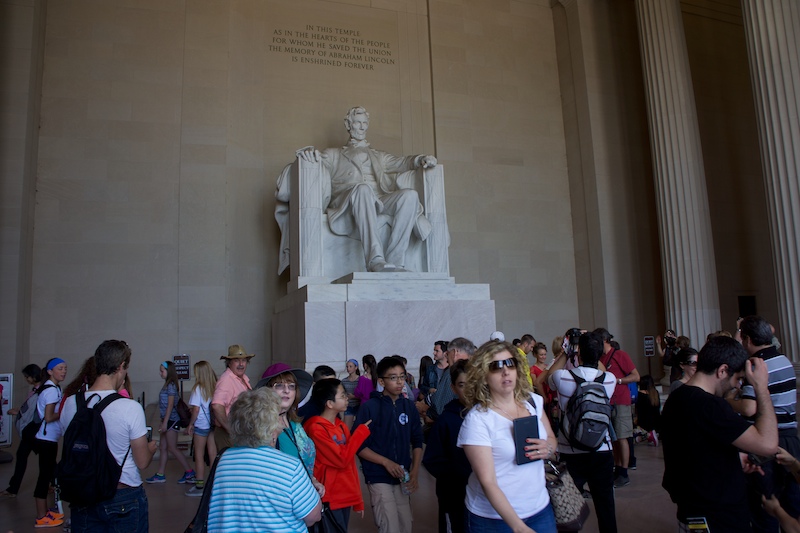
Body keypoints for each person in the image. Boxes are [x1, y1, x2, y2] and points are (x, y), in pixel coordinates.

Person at [290, 106, 437, 273]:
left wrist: (421, 159)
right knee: (362, 189)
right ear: (348, 124)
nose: (362, 127)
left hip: (378, 200)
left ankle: (396, 261)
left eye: (365, 123)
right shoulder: (334, 154)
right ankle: (375, 260)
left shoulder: (379, 156)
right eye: (357, 123)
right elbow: (313, 157)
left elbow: (402, 162)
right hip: (348, 202)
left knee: (410, 196)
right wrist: (308, 154)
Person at [661, 335, 778, 532]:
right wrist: (761, 388)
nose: (737, 385)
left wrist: (732, 461)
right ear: (722, 370)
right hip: (717, 515)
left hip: (693, 511)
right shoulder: (711, 405)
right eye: (738, 378)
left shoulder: (677, 398)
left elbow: (693, 451)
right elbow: (768, 444)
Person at [458, 340, 557, 532]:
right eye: (496, 366)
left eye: (510, 364)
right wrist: (518, 527)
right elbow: (488, 481)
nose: (506, 372)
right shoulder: (478, 420)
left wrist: (548, 448)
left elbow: (552, 440)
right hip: (493, 519)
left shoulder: (533, 403)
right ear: (484, 376)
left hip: (539, 508)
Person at [59, 340, 157, 533]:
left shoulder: (71, 403)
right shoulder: (130, 407)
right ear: (121, 366)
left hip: (83, 493)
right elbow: (143, 461)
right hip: (123, 494)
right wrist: (151, 448)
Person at [206, 388, 322, 531]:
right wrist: (312, 492)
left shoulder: (223, 460)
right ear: (272, 428)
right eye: (278, 416)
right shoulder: (290, 467)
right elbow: (313, 517)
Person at [730, 315, 800, 532]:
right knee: (791, 505)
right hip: (790, 440)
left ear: (749, 340)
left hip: (766, 442)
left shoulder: (757, 366)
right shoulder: (784, 360)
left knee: (765, 509)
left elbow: (749, 408)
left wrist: (729, 401)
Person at [548, 331, 618, 533]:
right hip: (602, 449)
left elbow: (550, 375)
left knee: (568, 507)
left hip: (571, 451)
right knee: (606, 505)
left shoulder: (563, 377)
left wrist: (566, 351)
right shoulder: (610, 380)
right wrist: (593, 344)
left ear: (577, 355)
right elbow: (600, 368)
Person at [353, 356, 424, 533]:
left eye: (402, 376)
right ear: (382, 382)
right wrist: (386, 462)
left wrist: (414, 471)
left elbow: (417, 441)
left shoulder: (408, 407)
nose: (399, 382)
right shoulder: (369, 407)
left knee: (405, 524)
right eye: (393, 377)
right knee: (389, 525)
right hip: (378, 475)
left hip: (402, 476)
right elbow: (359, 445)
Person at [304, 378, 372, 531]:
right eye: (342, 396)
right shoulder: (316, 429)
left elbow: (350, 465)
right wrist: (359, 434)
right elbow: (341, 459)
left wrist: (358, 500)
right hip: (329, 497)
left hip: (345, 495)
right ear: (329, 403)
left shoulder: (341, 426)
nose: (347, 398)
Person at [422, 360, 472, 533]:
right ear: (453, 388)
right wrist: (461, 474)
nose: (469, 390)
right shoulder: (446, 419)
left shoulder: (488, 415)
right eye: (462, 385)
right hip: (454, 494)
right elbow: (431, 459)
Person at [258, 363, 322, 493]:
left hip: (301, 495)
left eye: (291, 386)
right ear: (266, 391)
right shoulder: (259, 426)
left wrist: (312, 480)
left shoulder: (295, 424)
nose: (286, 390)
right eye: (279, 385)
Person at [594, 328, 639, 488]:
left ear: (604, 340)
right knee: (614, 438)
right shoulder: (601, 357)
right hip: (608, 401)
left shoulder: (620, 355)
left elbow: (635, 375)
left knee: (621, 436)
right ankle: (618, 467)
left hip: (620, 400)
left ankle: (624, 472)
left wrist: (618, 381)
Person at [145, 361, 195, 484]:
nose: (160, 373)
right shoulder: (167, 385)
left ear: (169, 371)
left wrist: (165, 423)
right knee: (163, 447)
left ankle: (189, 471)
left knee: (172, 447)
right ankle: (160, 474)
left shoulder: (171, 385)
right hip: (167, 420)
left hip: (172, 420)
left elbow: (170, 405)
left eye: (162, 370)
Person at [32, 358, 67, 528]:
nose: (64, 371)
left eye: (65, 368)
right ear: (50, 371)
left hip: (48, 439)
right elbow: (48, 417)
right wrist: (64, 411)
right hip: (46, 439)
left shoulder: (53, 388)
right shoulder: (52, 391)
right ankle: (41, 516)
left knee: (49, 475)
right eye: (60, 368)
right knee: (44, 477)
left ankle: (46, 512)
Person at [1, 364, 42, 499]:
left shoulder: (41, 391)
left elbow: (34, 412)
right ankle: (13, 488)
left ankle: (14, 488)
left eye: (27, 377)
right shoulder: (36, 390)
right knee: (23, 457)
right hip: (31, 432)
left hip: (34, 431)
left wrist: (18, 412)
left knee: (46, 461)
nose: (26, 379)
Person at [210, 344, 253, 450]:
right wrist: (229, 428)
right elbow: (216, 405)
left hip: (240, 432)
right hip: (229, 434)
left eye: (244, 360)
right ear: (229, 363)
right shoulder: (227, 379)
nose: (241, 364)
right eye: (237, 360)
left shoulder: (242, 378)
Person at [184, 360, 218, 497]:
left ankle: (199, 484)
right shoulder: (215, 386)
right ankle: (215, 482)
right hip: (212, 424)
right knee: (212, 454)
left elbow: (196, 410)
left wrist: (190, 424)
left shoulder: (198, 388)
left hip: (201, 425)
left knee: (198, 455)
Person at [429, 337, 476, 420]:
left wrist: (427, 411)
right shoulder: (477, 371)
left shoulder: (451, 373)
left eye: (447, 354)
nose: (446, 358)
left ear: (455, 353)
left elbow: (440, 408)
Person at [635, 375, 661, 447]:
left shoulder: (640, 394)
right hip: (656, 422)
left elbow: (638, 409)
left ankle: (647, 436)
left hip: (644, 422)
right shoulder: (655, 393)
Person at [342, 359, 362, 428]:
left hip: (359, 405)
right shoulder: (344, 381)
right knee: (347, 428)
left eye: (350, 366)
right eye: (347, 367)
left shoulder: (360, 380)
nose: (348, 368)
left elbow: (363, 393)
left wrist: (354, 396)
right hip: (349, 405)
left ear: (356, 367)